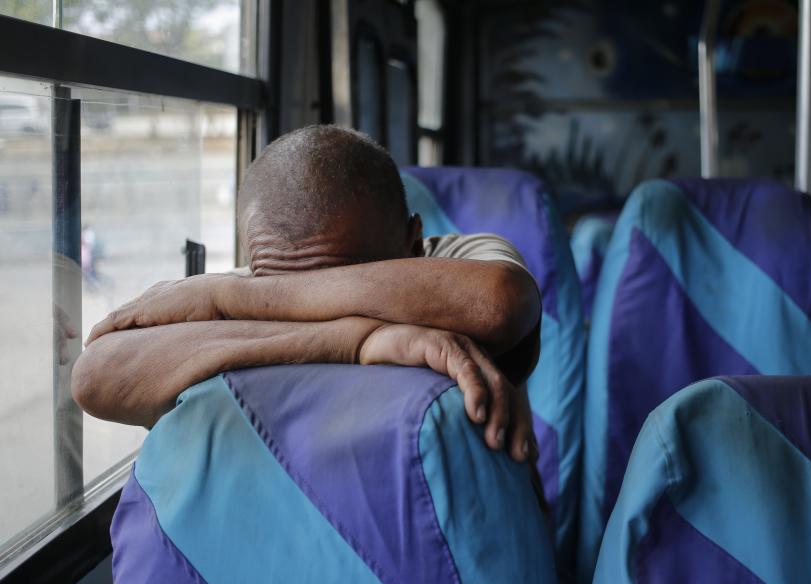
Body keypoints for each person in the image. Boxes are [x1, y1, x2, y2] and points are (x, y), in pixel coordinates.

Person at [72, 125, 542, 464]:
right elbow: (94, 376)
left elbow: (499, 301)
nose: (304, 305)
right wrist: (360, 339)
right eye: (278, 287)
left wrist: (227, 299)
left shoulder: (460, 257)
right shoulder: (250, 286)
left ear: (412, 244)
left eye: (339, 284)